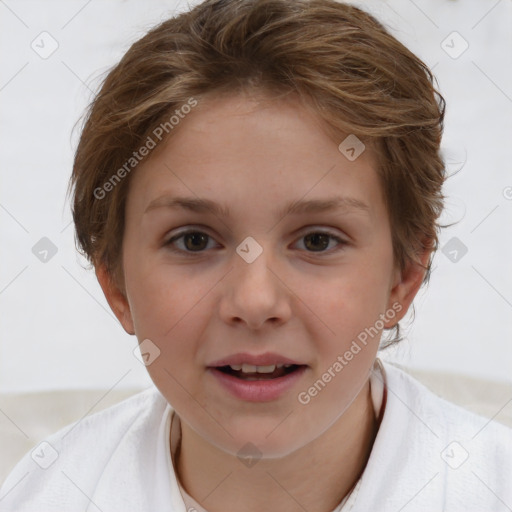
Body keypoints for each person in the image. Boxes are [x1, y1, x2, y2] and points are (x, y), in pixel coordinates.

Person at [1, 0, 511, 511]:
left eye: (317, 241)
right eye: (194, 240)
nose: (255, 300)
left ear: (403, 275)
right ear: (114, 282)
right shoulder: (42, 493)